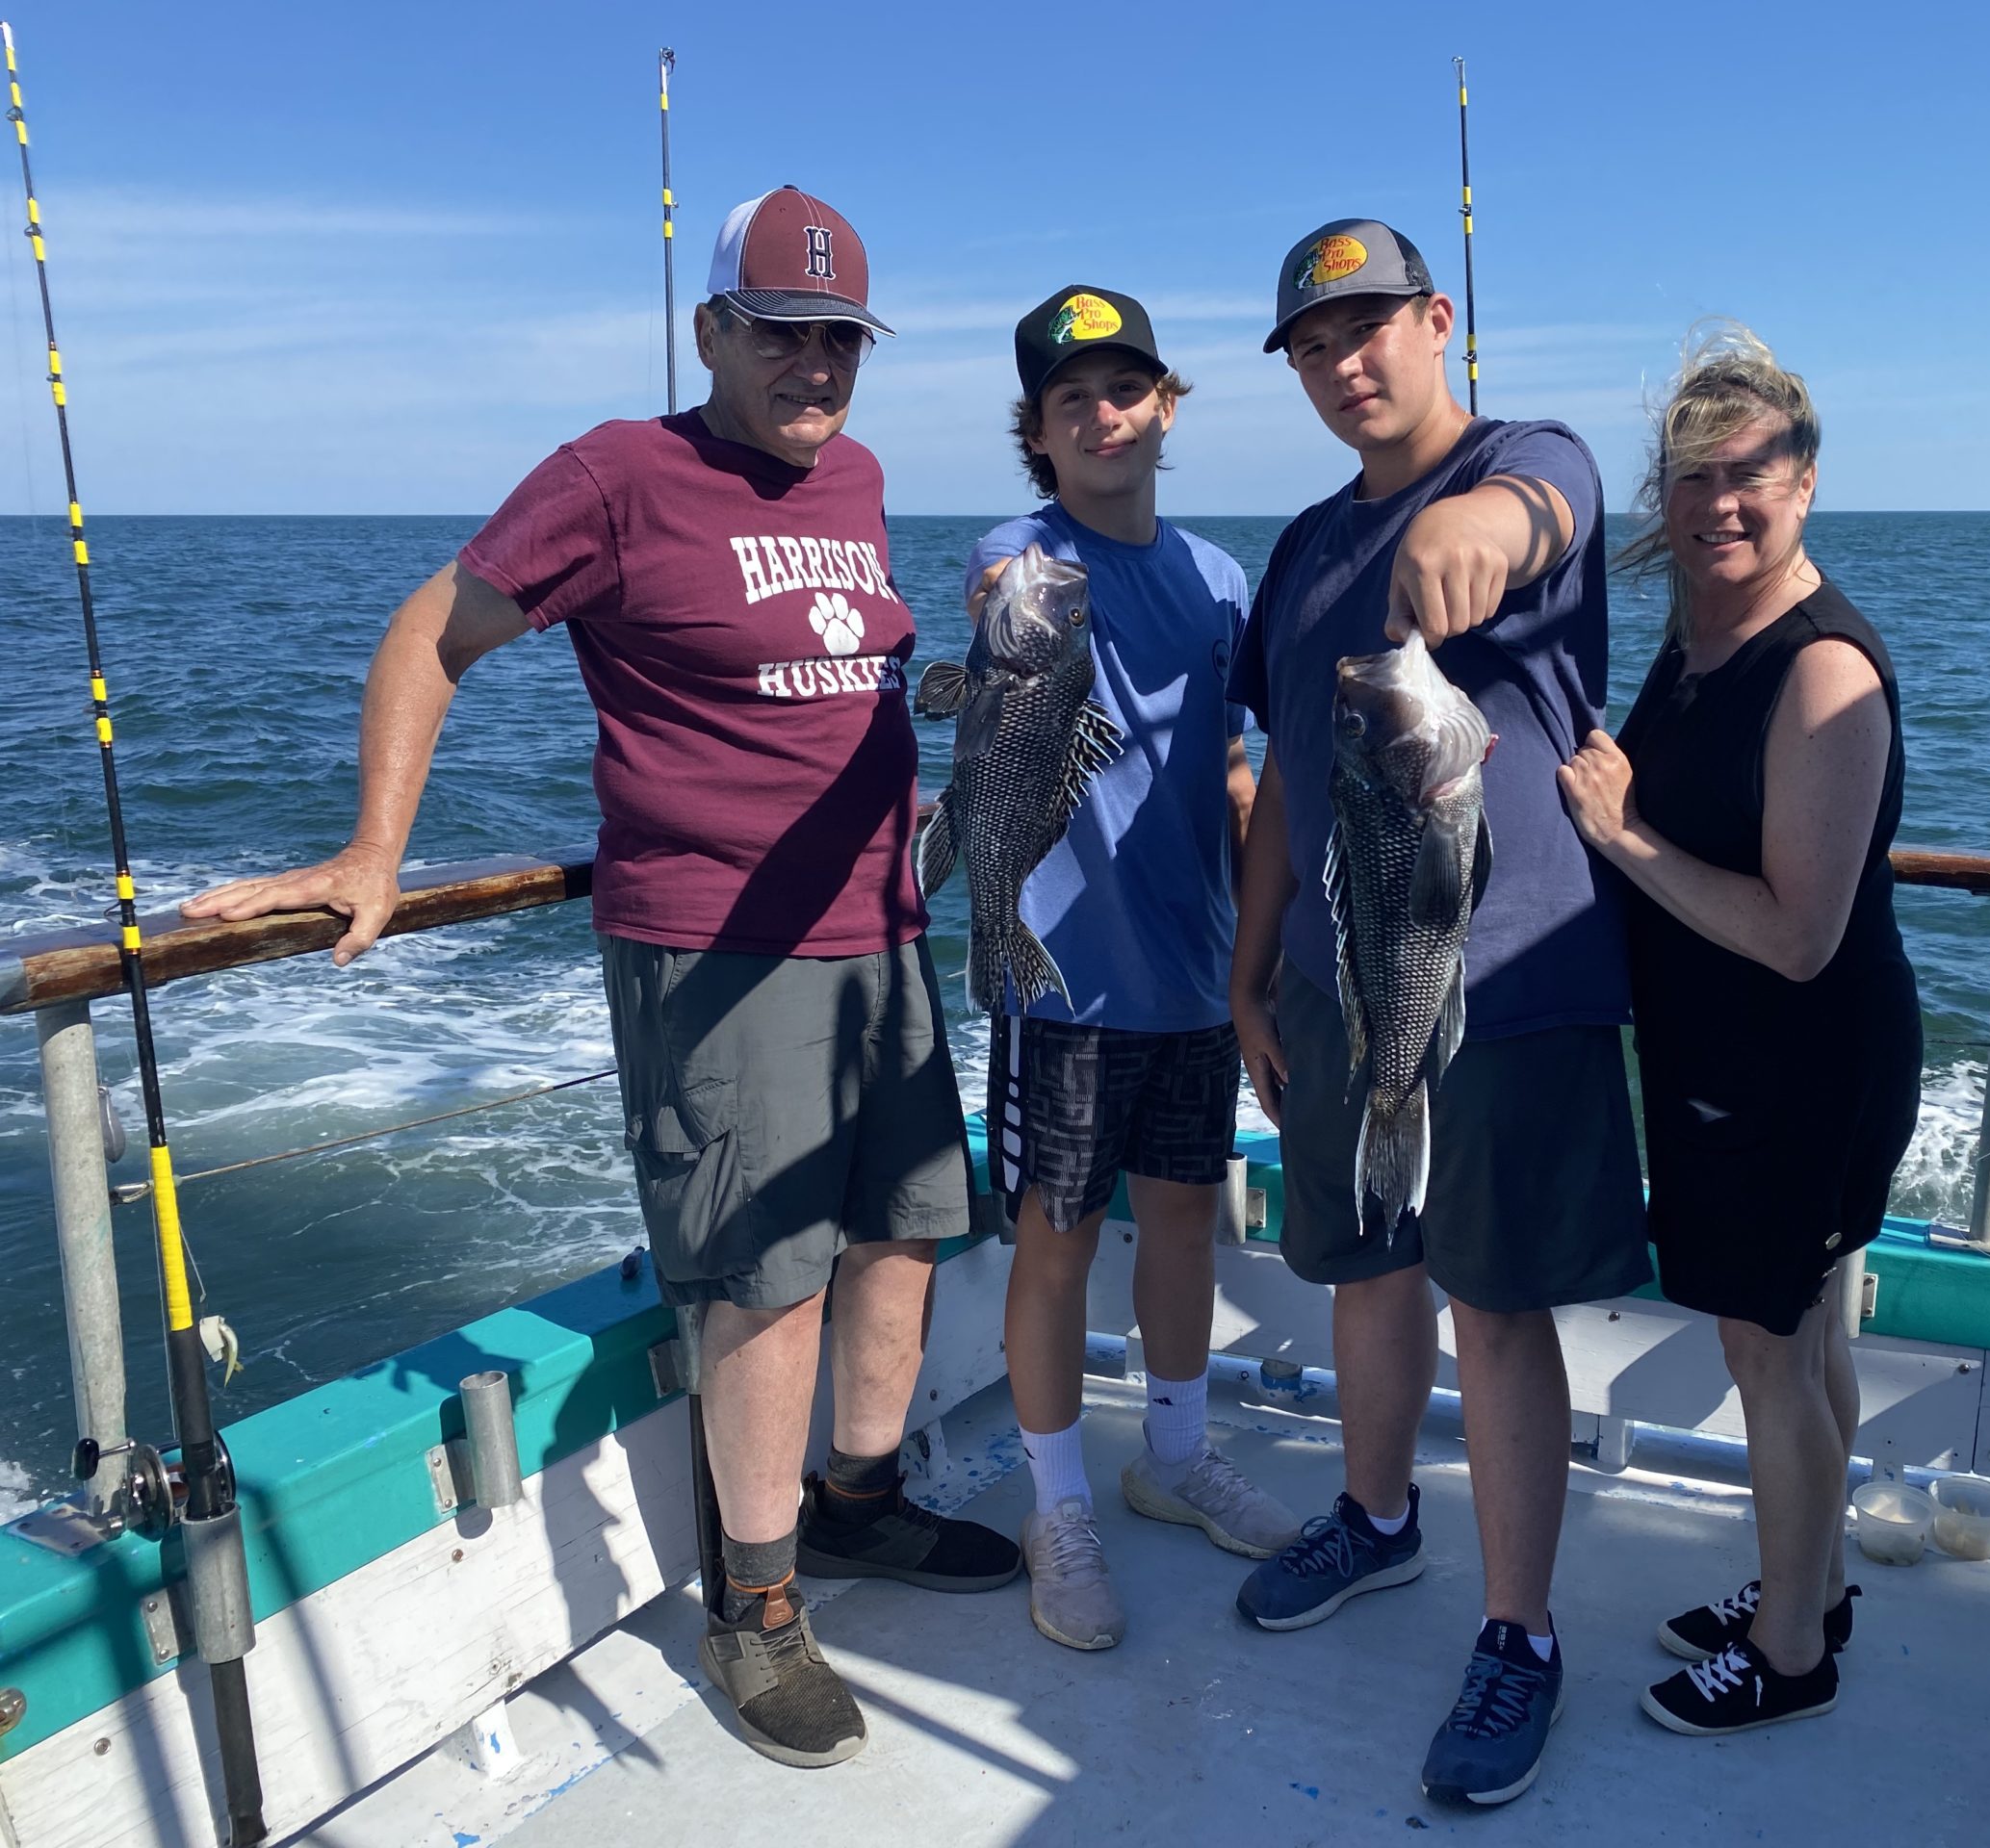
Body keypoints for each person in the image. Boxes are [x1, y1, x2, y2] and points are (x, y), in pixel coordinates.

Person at [182, 186, 1021, 1772]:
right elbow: (435, 628)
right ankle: (755, 1609)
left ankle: (858, 1508)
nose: (815, 368)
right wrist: (375, 849)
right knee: (766, 1291)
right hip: (720, 950)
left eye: (839, 340)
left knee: (905, 1244)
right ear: (713, 331)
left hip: (884, 936)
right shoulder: (616, 475)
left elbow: (831, 673)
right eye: (780, 334)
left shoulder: (858, 476)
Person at [1225, 219, 1649, 1808]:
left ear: (1435, 319)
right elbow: (1284, 792)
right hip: (1340, 980)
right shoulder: (1299, 552)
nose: (1348, 365)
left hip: (1509, 969)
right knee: (1359, 1267)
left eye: (1371, 329)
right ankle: (1378, 1513)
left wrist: (1480, 526)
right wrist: (1249, 969)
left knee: (1495, 1302)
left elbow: (1540, 512)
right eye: (1315, 347)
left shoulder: (1534, 453)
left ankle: (1521, 1634)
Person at [1557, 321, 1922, 1737]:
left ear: (1808, 479)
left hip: (1797, 1064)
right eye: (1693, 479)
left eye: (1752, 472)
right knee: (1802, 1329)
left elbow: (1797, 929)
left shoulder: (1822, 669)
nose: (1721, 502)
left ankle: (1788, 1654)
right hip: (1728, 1058)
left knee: (1766, 1349)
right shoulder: (1705, 639)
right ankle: (1808, 1588)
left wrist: (1622, 835)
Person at [959, 285, 1299, 1653]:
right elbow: (1002, 614)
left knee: (1180, 1225)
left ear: (1167, 408)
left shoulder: (1221, 581)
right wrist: (998, 615)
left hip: (1196, 975)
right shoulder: (1021, 556)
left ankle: (1172, 1454)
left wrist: (1263, 958)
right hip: (1059, 978)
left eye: (1124, 389)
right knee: (1053, 1245)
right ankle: (1060, 1503)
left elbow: (1235, 767)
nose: (1102, 415)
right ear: (1038, 434)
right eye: (1069, 399)